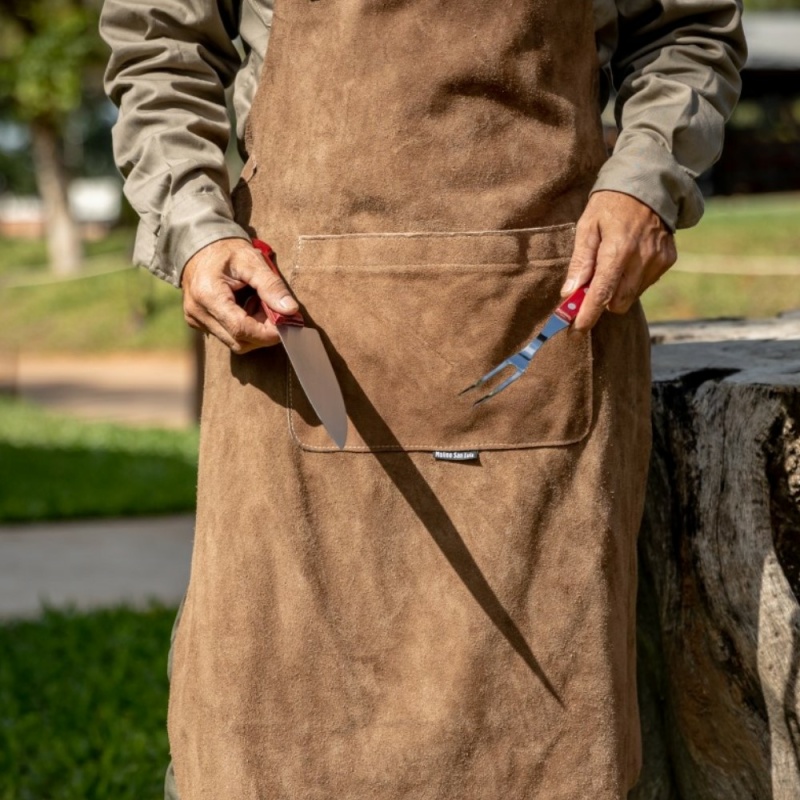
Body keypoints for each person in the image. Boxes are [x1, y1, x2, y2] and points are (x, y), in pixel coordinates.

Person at [101, 2, 745, 798]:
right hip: (291, 332)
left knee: (541, 755)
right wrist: (196, 229)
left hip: (533, 328)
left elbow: (689, 30)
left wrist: (647, 180)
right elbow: (159, 43)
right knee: (263, 740)